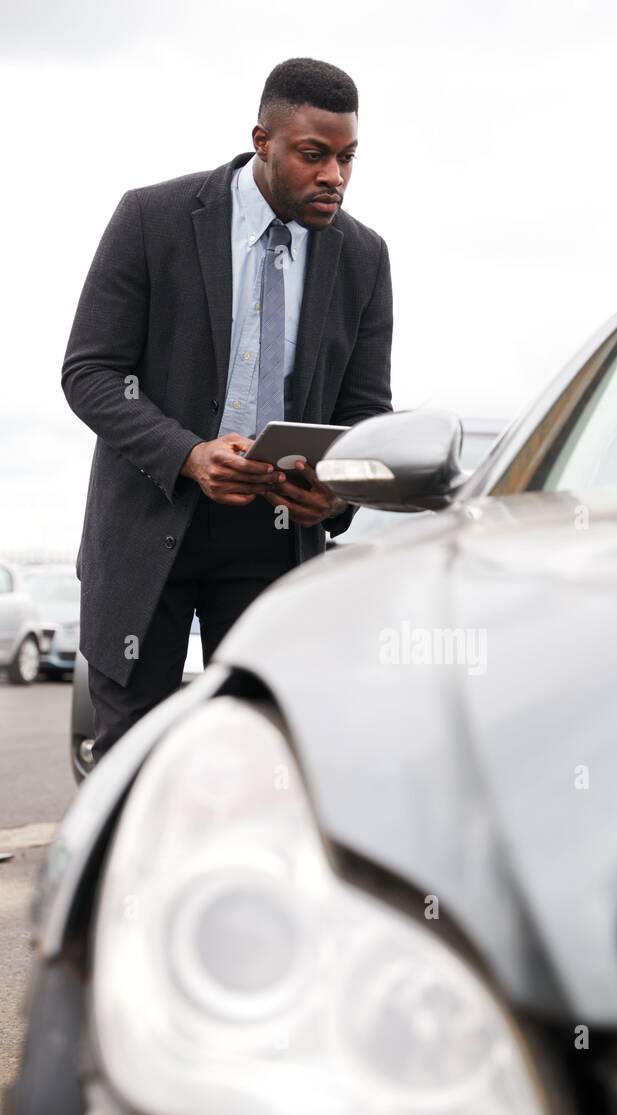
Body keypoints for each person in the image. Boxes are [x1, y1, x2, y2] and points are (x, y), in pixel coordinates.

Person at [62, 56, 393, 763]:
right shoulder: (152, 219)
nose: (334, 175)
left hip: (273, 542)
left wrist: (332, 497)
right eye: (314, 155)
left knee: (259, 762)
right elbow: (90, 371)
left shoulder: (363, 257)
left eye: (347, 158)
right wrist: (187, 454)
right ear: (263, 141)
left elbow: (367, 413)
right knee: (129, 764)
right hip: (148, 524)